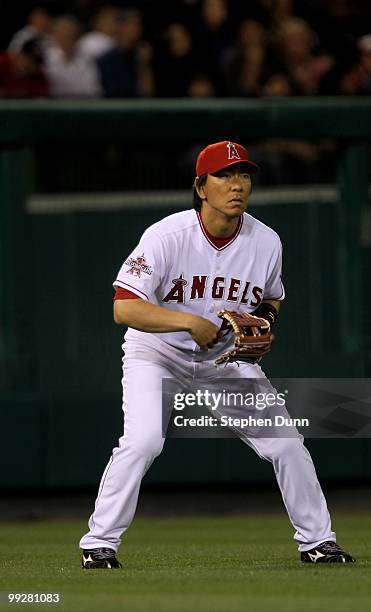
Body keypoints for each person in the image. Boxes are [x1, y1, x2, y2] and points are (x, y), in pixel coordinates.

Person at [79, 140, 355, 568]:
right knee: (143, 440)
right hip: (156, 354)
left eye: (244, 175)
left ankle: (318, 542)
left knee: (287, 445)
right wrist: (187, 321)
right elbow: (124, 308)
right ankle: (99, 543)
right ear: (201, 187)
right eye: (225, 175)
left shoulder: (265, 241)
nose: (237, 184)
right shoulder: (167, 236)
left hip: (223, 362)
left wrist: (263, 319)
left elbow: (273, 297)